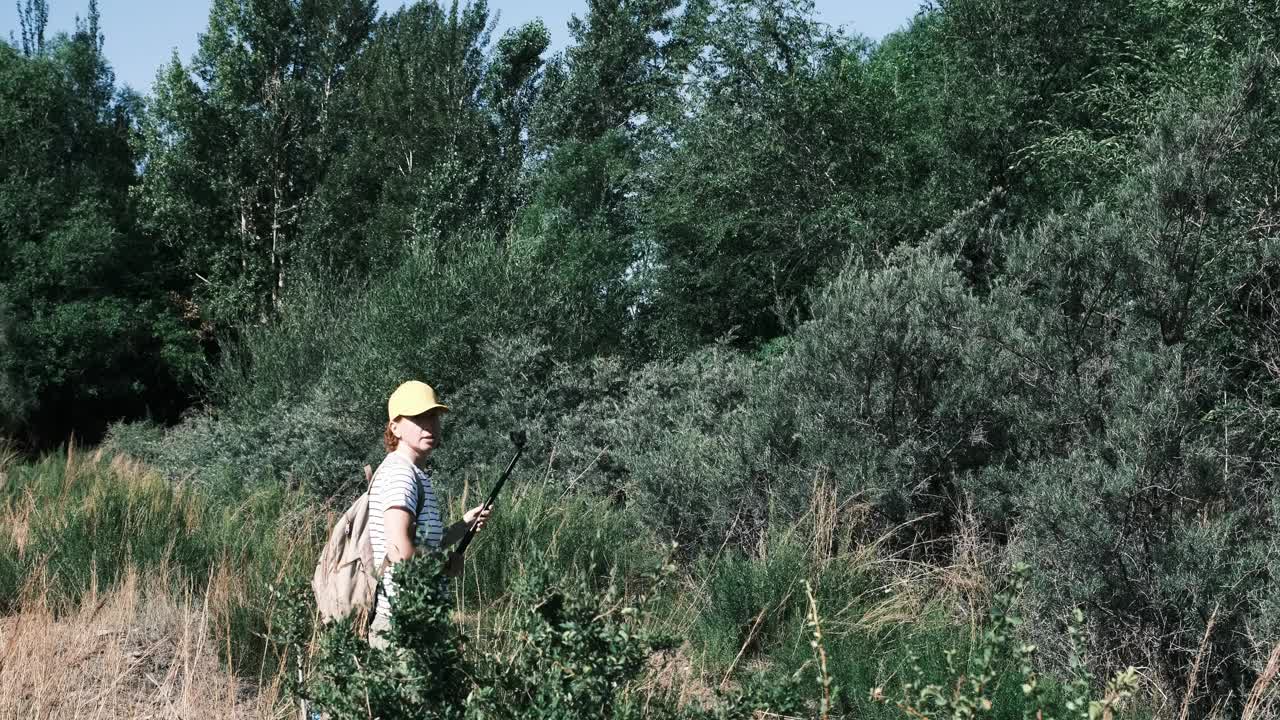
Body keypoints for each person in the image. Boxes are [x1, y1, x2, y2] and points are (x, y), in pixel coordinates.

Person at [367, 380, 490, 649]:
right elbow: (401, 553)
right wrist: (446, 564)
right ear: (395, 426)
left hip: (418, 620)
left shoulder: (413, 473)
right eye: (418, 417)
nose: (430, 425)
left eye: (433, 416)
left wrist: (465, 524)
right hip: (402, 625)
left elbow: (423, 543)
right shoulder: (401, 474)